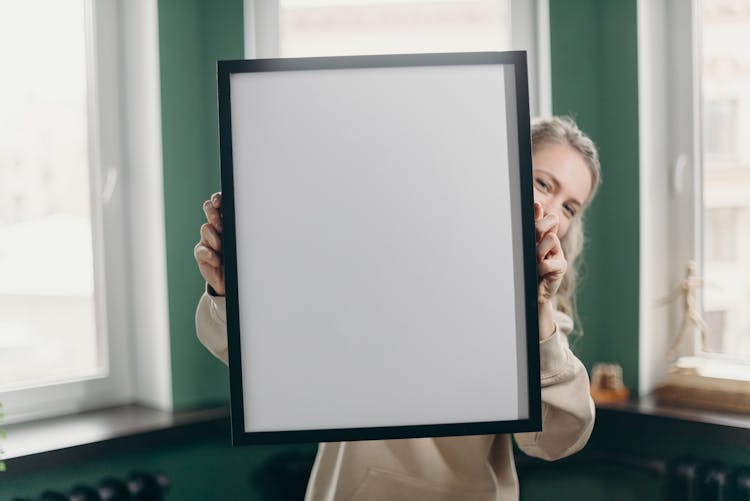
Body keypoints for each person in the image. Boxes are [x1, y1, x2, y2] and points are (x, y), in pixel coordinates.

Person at [194, 116, 601, 501]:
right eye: (543, 183)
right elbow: (264, 359)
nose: (552, 211)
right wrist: (232, 295)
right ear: (497, 167)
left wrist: (538, 310)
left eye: (570, 208)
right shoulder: (374, 265)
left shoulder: (545, 324)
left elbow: (557, 439)